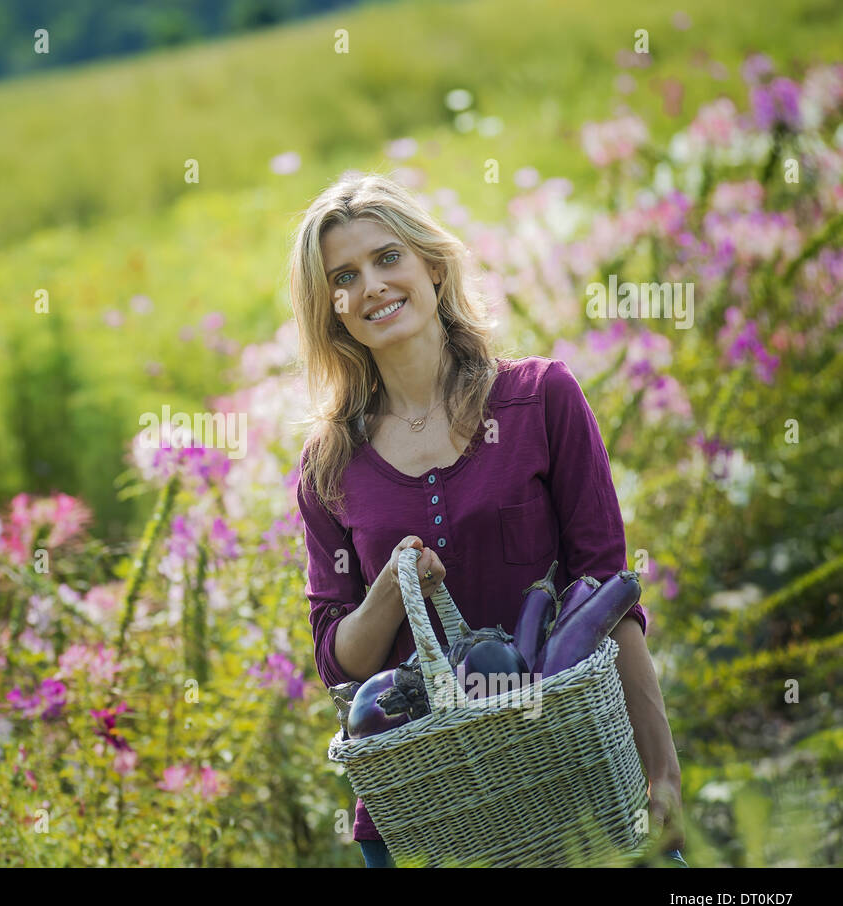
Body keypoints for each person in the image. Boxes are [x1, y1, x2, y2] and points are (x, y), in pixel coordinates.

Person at [288, 171, 685, 867]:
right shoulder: (330, 465)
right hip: (419, 817)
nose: (373, 285)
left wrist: (663, 772)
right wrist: (387, 590)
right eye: (344, 276)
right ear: (333, 311)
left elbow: (610, 601)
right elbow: (337, 658)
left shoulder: (541, 400)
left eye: (388, 258)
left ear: (432, 269)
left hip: (570, 773)